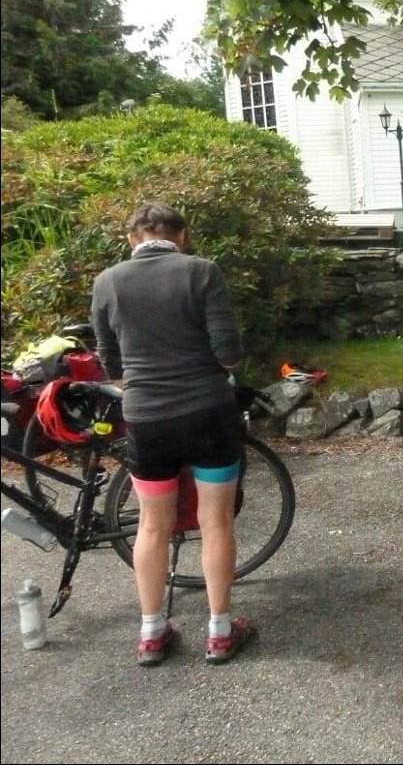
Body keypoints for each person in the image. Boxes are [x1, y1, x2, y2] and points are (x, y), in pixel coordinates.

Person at [91, 202, 257, 667]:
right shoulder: (202, 272)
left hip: (146, 418)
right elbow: (228, 355)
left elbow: (111, 363)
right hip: (207, 411)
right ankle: (221, 632)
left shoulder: (107, 282)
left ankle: (151, 632)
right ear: (181, 236)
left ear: (132, 240)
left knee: (151, 524)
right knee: (215, 522)